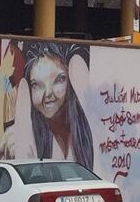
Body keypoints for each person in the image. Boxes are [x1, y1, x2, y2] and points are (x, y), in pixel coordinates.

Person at [21, 40, 95, 170]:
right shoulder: (26, 136)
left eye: (59, 80)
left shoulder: (88, 129)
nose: (48, 93)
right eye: (36, 85)